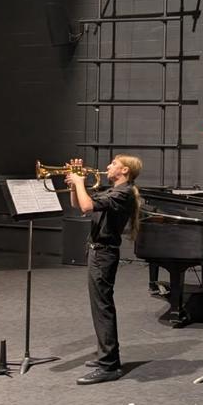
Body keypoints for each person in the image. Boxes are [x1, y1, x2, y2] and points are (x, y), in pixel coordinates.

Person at [67, 155, 142, 385]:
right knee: (99, 307)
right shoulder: (112, 190)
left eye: (113, 164)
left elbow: (88, 205)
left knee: (102, 308)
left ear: (125, 170)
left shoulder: (123, 193)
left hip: (104, 254)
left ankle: (109, 365)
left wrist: (80, 182)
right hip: (98, 252)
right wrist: (73, 186)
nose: (107, 167)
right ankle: (105, 357)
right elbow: (79, 205)